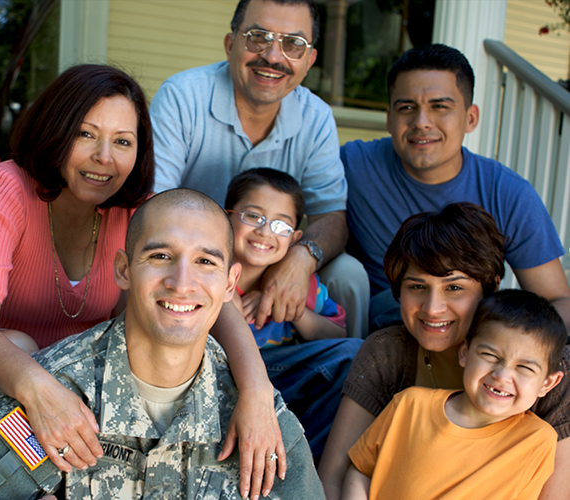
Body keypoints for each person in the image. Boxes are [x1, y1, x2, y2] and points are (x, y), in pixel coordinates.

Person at [0, 64, 285, 500]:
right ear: (56, 130)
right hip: (7, 380)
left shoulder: (138, 213)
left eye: (123, 142)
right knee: (18, 347)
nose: (105, 158)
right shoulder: (10, 191)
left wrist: (258, 390)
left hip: (91, 387)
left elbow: (213, 296)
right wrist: (38, 386)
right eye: (86, 134)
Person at [0, 189, 325, 499]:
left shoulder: (262, 422)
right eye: (160, 257)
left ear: (230, 284)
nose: (182, 283)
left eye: (205, 261)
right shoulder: (44, 401)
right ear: (123, 270)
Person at [317, 202, 570, 500]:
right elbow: (334, 478)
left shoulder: (548, 374)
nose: (432, 308)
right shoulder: (388, 352)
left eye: (454, 288)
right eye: (417, 287)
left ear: (490, 289)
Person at [149, 0, 370, 338]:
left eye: (293, 44)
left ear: (309, 60)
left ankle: (349, 379)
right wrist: (216, 274)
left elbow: (332, 219)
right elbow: (155, 206)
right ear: (230, 44)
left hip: (270, 254)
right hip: (191, 256)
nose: (274, 56)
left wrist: (300, 258)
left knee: (349, 274)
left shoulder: (316, 117)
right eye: (258, 37)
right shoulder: (183, 97)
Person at [341, 43, 570, 333]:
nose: (421, 123)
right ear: (389, 118)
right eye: (407, 108)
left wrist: (515, 343)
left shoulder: (507, 193)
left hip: (468, 335)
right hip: (387, 331)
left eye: (440, 107)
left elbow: (556, 298)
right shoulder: (353, 165)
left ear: (470, 118)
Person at [342, 290, 565, 500]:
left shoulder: (539, 441)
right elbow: (361, 470)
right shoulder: (409, 405)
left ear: (548, 383)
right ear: (465, 354)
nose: (502, 375)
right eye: (490, 355)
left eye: (525, 368)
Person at [224, 168, 362, 457]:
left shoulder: (299, 285)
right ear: (226, 217)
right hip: (223, 378)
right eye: (253, 216)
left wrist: (294, 310)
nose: (264, 231)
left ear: (295, 237)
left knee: (354, 354)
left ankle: (306, 462)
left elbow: (339, 334)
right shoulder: (212, 270)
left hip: (282, 374)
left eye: (281, 225)